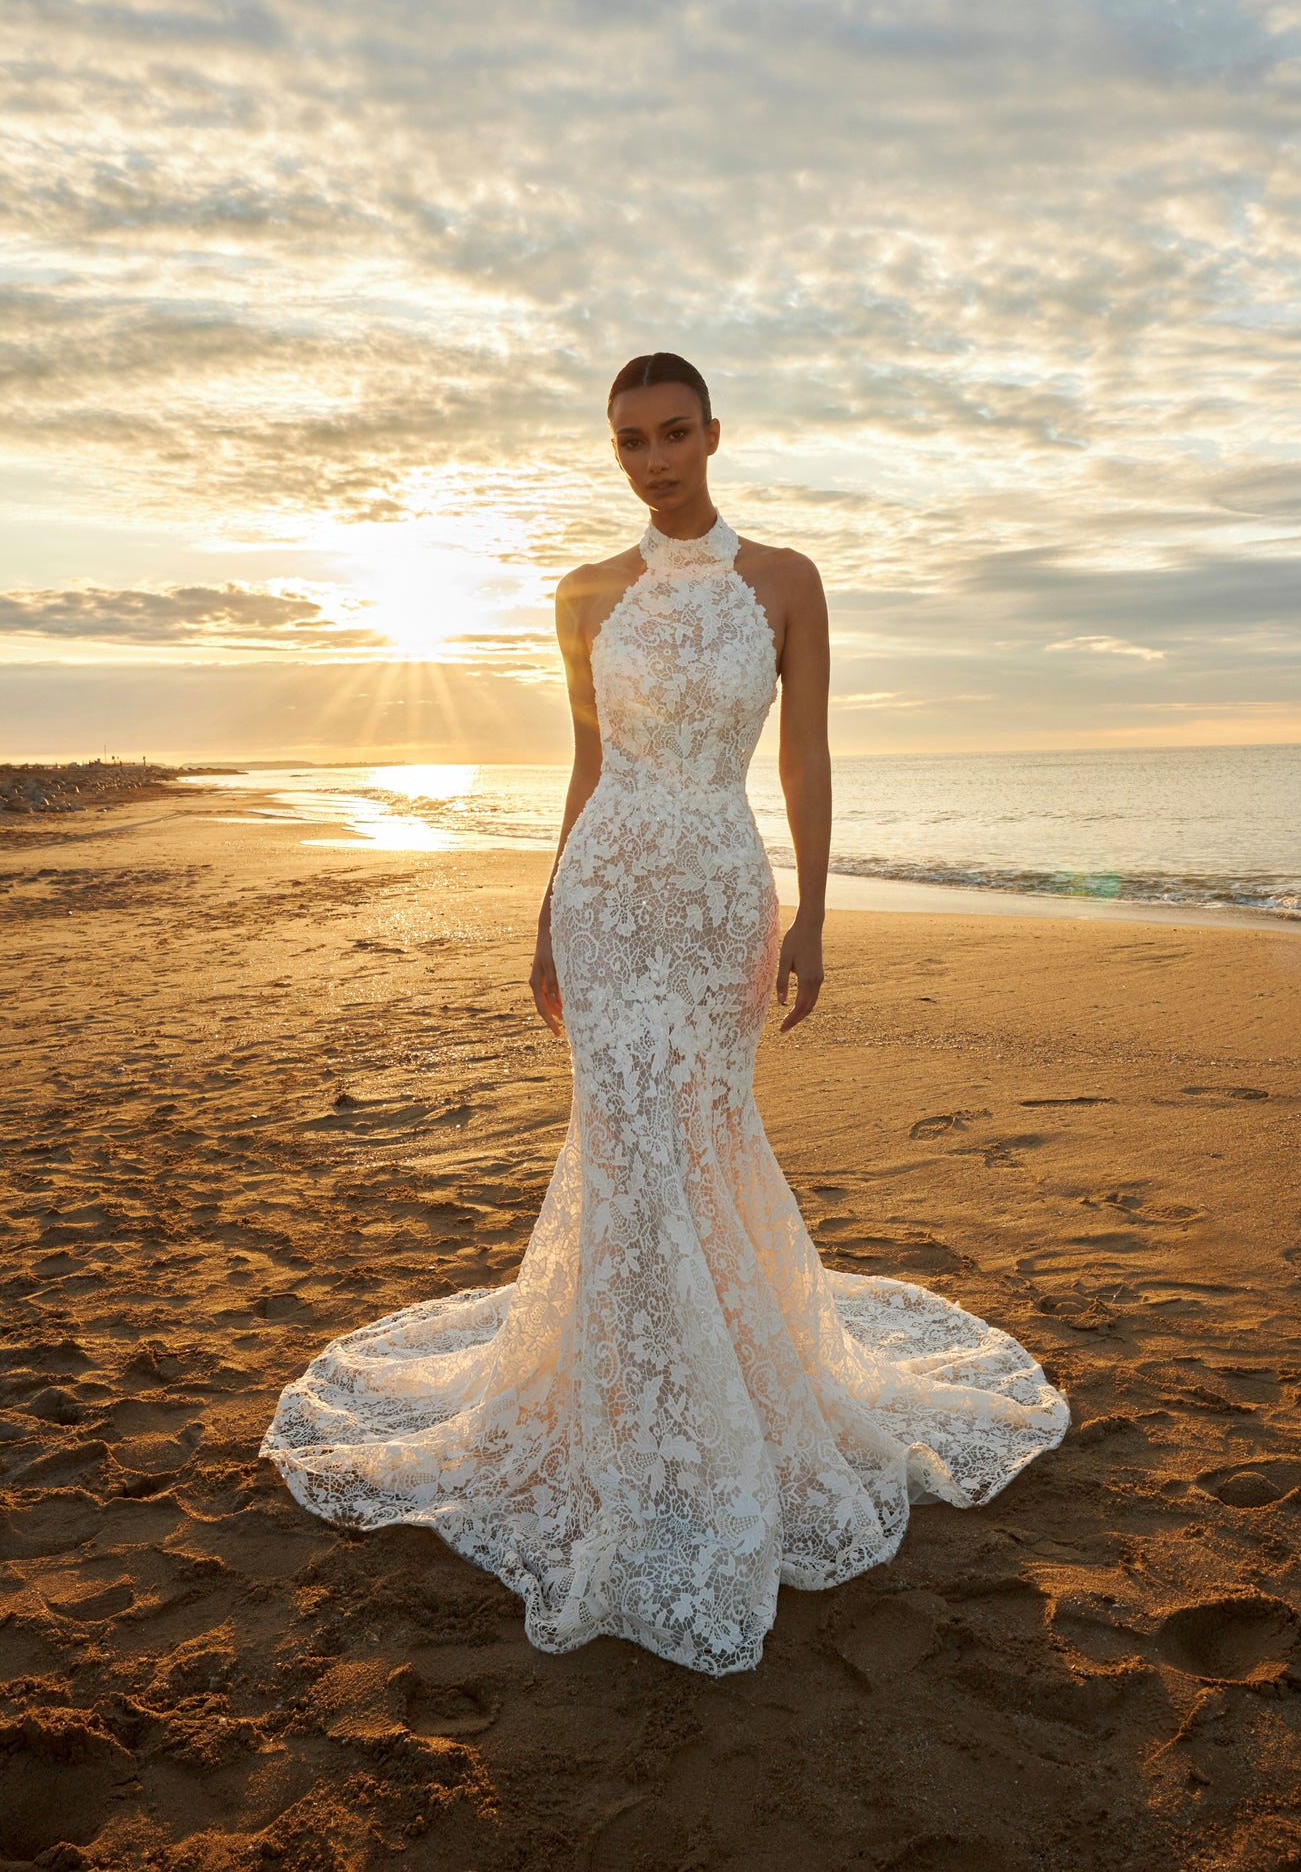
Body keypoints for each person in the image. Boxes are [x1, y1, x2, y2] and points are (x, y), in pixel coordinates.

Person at [261, 351, 1067, 1677]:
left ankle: (713, 1398)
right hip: (607, 894)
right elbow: (589, 761)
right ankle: (634, 1415)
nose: (654, 461)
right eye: (631, 441)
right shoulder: (584, 594)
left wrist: (814, 913)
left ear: (713, 433)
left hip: (716, 892)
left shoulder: (788, 581)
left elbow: (805, 750)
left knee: (701, 1133)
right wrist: (546, 913)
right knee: (625, 1145)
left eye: (674, 433)